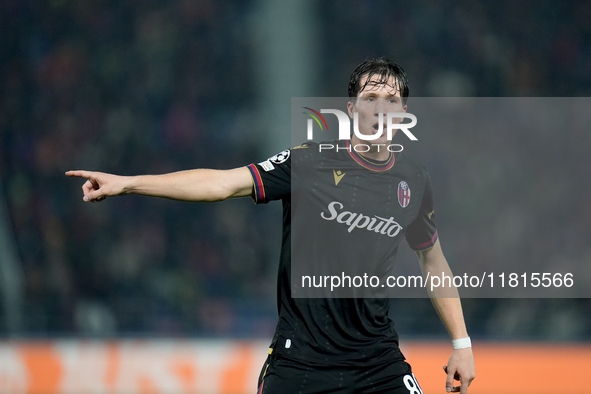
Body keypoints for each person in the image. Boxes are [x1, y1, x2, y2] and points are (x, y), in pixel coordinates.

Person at [66, 58, 475, 393]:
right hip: (301, 363)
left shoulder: (413, 179)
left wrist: (462, 344)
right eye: (371, 98)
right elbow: (223, 183)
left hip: (378, 362)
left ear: (404, 113)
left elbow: (433, 262)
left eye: (392, 99)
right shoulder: (309, 162)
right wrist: (130, 184)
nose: (381, 108)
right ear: (352, 110)